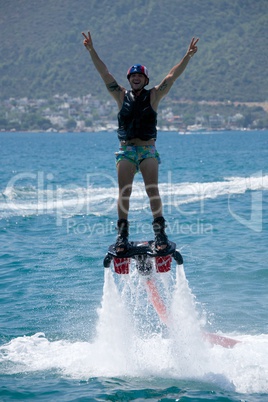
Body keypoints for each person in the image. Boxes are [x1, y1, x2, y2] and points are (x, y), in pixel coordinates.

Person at [82, 31, 199, 253]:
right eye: (132, 76)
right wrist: (91, 51)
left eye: (140, 76)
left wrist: (188, 56)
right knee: (124, 191)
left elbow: (172, 76)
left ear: (145, 80)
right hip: (126, 151)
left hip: (147, 151)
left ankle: (160, 233)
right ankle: (122, 236)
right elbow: (104, 72)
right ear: (129, 79)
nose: (136, 78)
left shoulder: (154, 96)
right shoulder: (119, 95)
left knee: (152, 190)